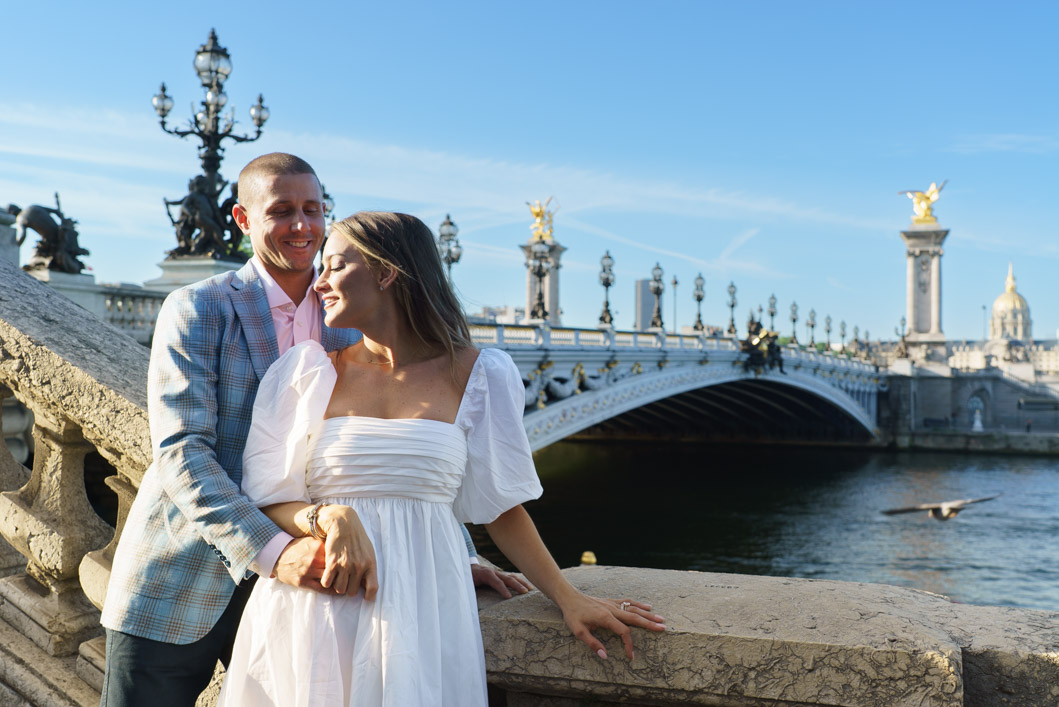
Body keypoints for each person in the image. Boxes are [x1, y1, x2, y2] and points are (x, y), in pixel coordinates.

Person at [99, 154, 522, 706]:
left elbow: (399, 447)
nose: (302, 226)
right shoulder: (199, 308)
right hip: (185, 574)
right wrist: (275, 551)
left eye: (313, 209)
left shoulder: (351, 315)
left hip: (320, 592)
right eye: (281, 211)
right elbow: (184, 453)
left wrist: (457, 553)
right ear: (243, 220)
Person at [217, 212, 666, 706]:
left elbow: (501, 508)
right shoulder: (304, 372)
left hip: (425, 610)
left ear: (387, 273)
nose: (319, 282)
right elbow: (264, 500)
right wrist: (328, 515)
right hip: (314, 609)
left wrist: (568, 597)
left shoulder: (480, 374)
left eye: (336, 266)